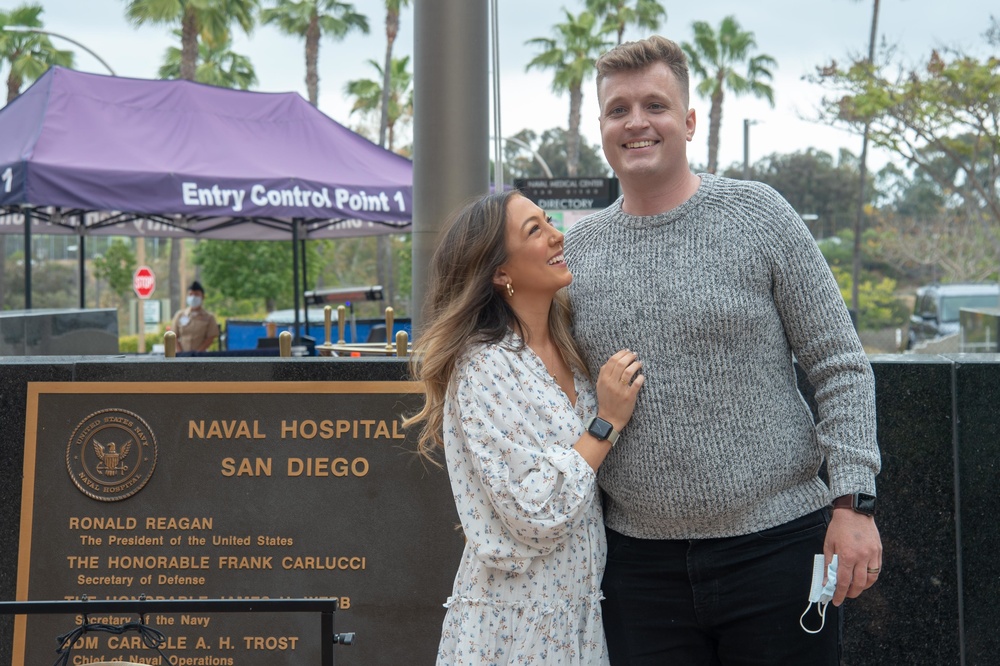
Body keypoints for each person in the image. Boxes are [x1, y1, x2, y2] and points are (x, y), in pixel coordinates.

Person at [563, 35, 882, 665]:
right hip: (637, 567)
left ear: (687, 121)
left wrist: (853, 504)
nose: (636, 122)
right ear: (600, 127)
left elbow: (839, 365)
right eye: (617, 109)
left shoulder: (760, 215)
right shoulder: (577, 254)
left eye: (654, 105)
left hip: (780, 550)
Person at [404, 191, 644, 665]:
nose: (557, 235)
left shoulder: (570, 347)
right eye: (534, 230)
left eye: (548, 220)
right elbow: (532, 513)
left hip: (580, 615)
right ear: (500, 272)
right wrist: (607, 423)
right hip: (514, 628)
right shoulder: (486, 368)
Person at [170, 280, 220, 353]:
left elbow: (211, 337)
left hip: (201, 356)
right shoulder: (180, 315)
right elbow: (173, 336)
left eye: (196, 294)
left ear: (202, 297)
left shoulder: (209, 317)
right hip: (181, 355)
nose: (193, 297)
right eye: (191, 294)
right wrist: (180, 352)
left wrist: (198, 353)